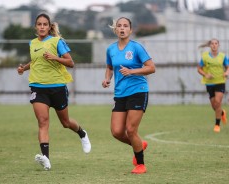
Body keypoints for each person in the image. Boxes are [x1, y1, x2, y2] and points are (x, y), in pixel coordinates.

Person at [17, 13, 91, 171]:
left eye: (45, 24)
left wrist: (55, 57)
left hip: (57, 87)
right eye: (39, 24)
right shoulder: (32, 43)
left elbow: (71, 62)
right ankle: (46, 159)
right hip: (38, 87)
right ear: (35, 27)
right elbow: (36, 61)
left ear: (49, 26)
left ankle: (82, 133)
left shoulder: (57, 41)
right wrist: (24, 68)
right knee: (43, 122)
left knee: (65, 123)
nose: (42, 27)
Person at [101, 17, 155, 174]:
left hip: (138, 90)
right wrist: (107, 78)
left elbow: (151, 68)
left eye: (125, 26)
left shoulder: (137, 47)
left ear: (130, 30)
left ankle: (140, 164)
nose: (122, 28)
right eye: (119, 26)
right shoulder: (110, 49)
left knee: (131, 130)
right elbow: (110, 67)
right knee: (117, 132)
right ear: (116, 30)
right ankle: (139, 144)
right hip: (120, 94)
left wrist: (132, 71)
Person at [197, 38, 229, 133]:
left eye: (216, 43)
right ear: (210, 45)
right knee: (214, 106)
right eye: (212, 44)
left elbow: (228, 67)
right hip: (209, 83)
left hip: (220, 82)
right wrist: (206, 74)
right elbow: (199, 69)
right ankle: (222, 113)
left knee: (217, 102)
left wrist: (227, 72)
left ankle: (217, 125)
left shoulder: (223, 56)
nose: (214, 45)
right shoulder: (205, 56)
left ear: (218, 45)